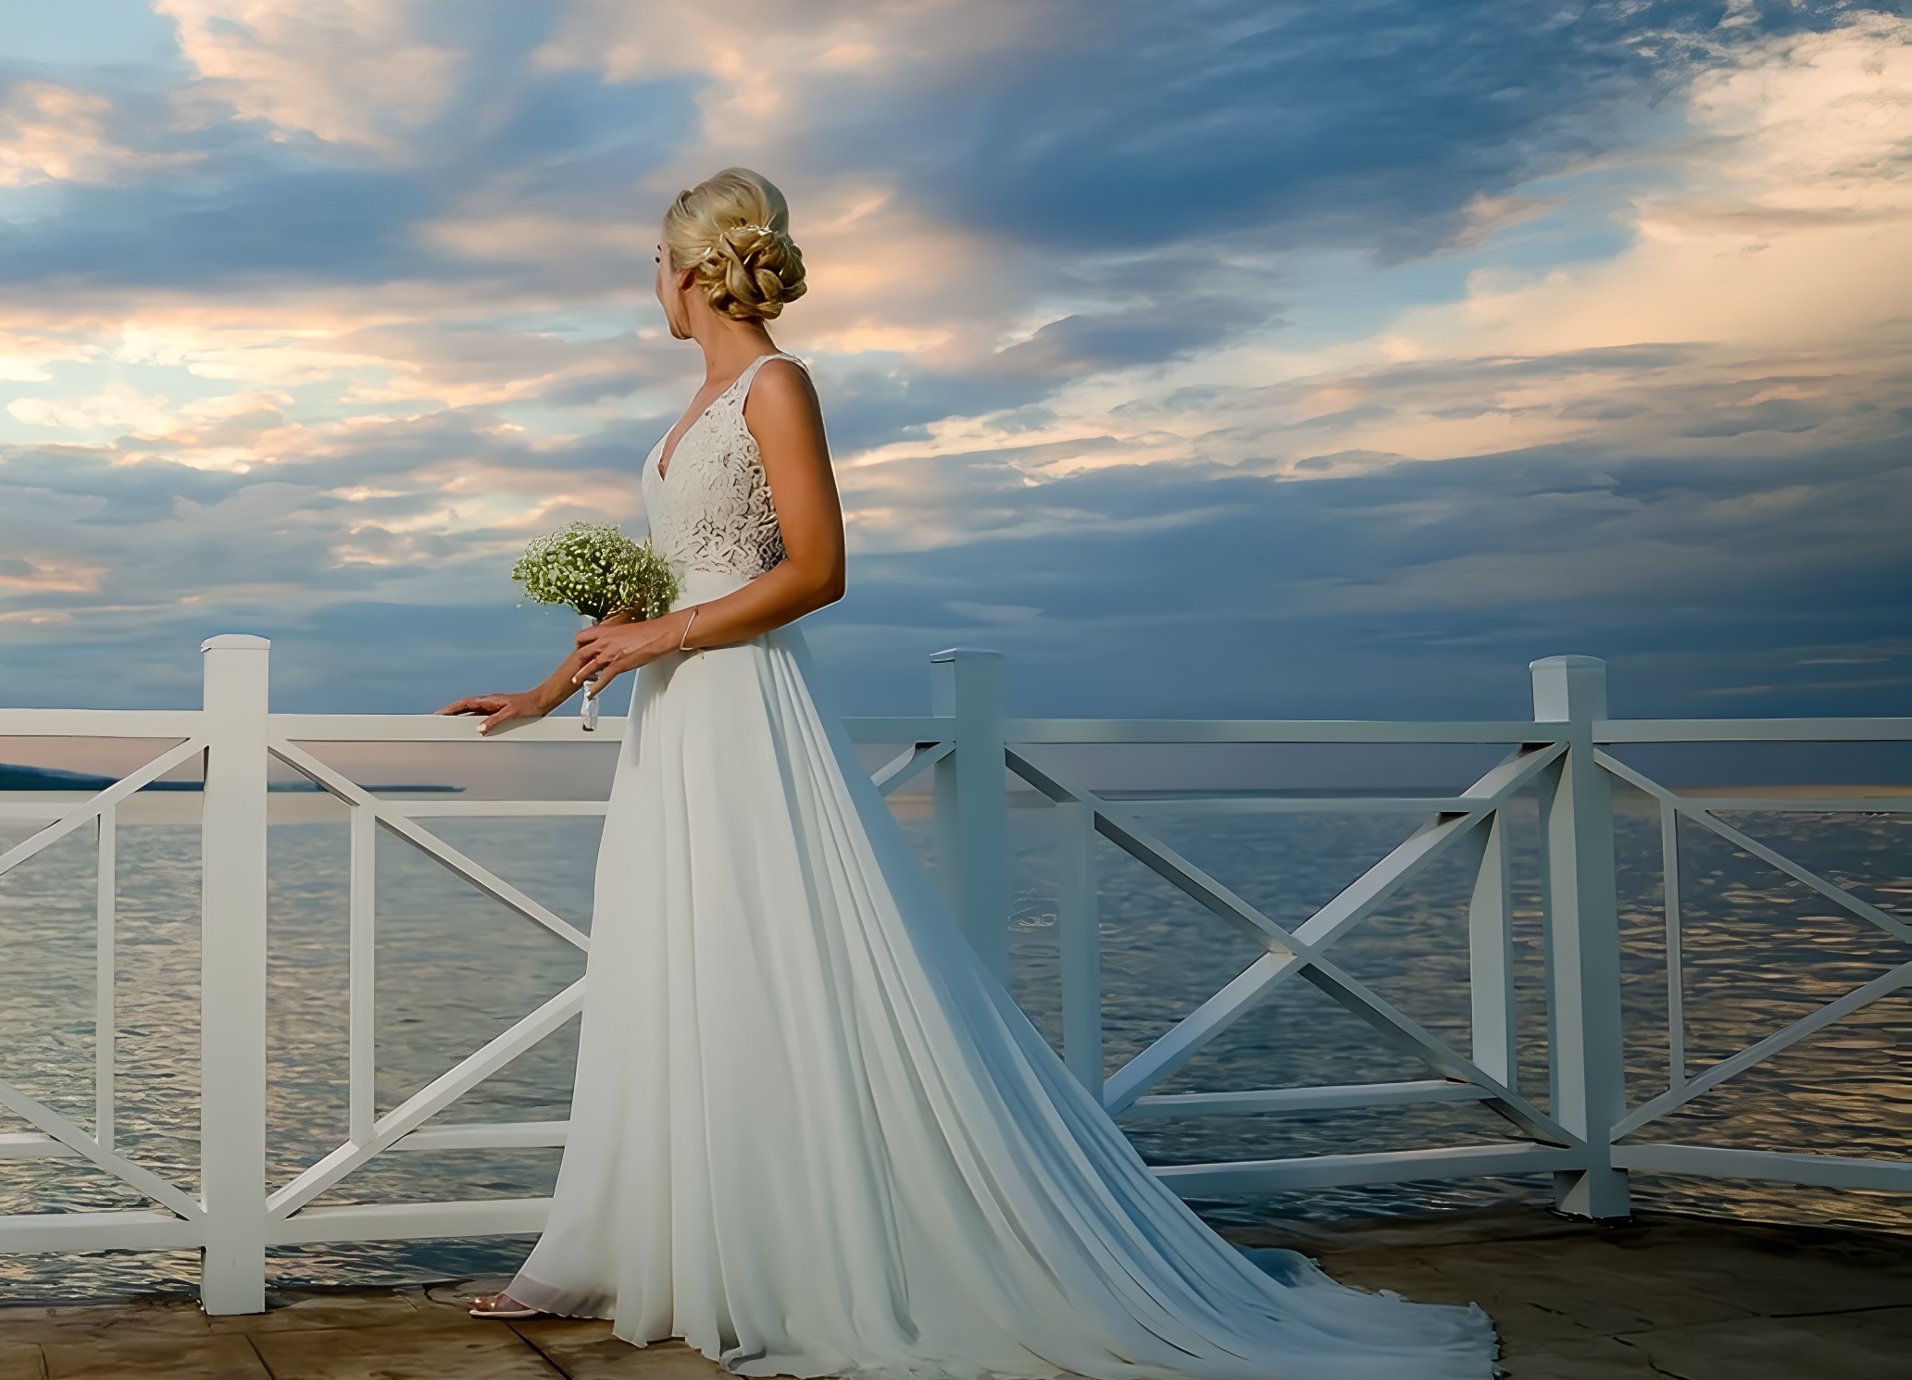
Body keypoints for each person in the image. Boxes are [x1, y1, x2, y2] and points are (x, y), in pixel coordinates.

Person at [431, 168, 1499, 1380]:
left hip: (745, 713)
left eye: (650, 270)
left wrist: (664, 637)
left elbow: (819, 570)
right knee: (674, 962)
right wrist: (546, 690)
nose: (651, 294)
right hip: (673, 721)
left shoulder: (778, 386)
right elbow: (663, 592)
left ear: (688, 271)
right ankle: (654, 1246)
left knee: (767, 956)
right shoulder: (690, 414)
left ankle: (806, 1253)